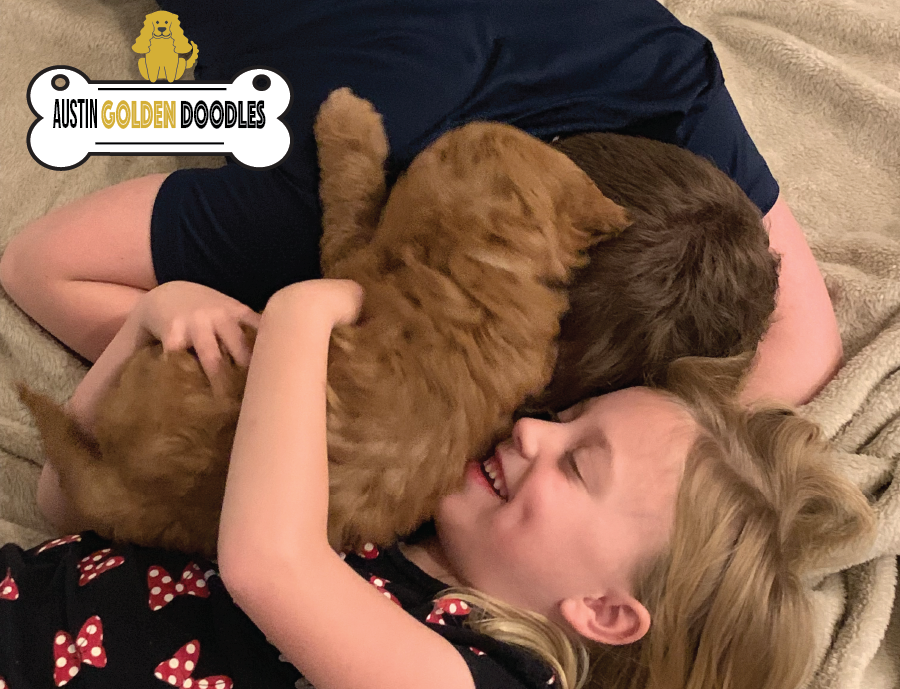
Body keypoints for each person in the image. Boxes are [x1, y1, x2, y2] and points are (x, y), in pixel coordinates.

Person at [0, 280, 875, 689]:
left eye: (577, 464)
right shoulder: (380, 511)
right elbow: (69, 501)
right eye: (563, 419)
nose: (530, 431)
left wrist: (306, 312)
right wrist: (149, 323)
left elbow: (268, 565)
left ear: (605, 611)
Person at [0, 0, 839, 408]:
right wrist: (277, 387)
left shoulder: (672, 90)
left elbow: (806, 344)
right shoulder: (339, 181)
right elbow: (40, 264)